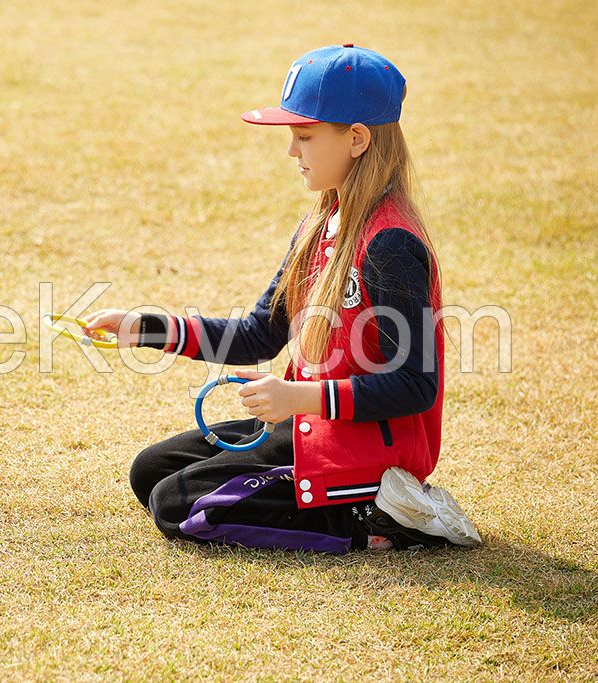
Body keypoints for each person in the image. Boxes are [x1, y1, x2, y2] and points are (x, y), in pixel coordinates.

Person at [81, 44, 481, 554]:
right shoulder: (320, 224)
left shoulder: (392, 243)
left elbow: (415, 386)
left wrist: (299, 398)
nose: (292, 151)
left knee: (174, 504)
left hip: (367, 448)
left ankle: (383, 516)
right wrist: (146, 327)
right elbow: (258, 333)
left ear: (357, 138)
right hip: (312, 424)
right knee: (151, 472)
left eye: (305, 136)